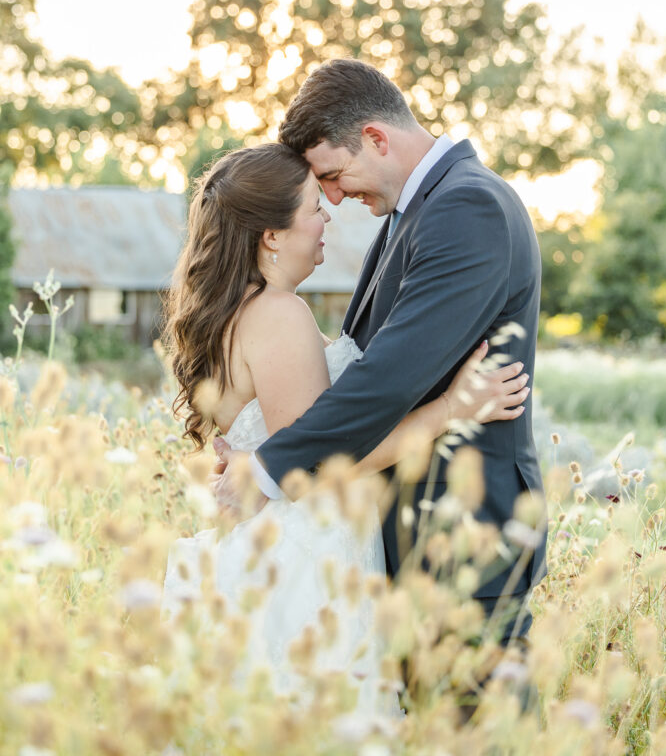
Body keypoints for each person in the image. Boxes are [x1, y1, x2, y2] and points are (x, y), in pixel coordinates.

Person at [162, 142, 528, 709]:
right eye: (312, 205)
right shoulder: (278, 315)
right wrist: (451, 408)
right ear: (272, 236)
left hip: (291, 547)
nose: (327, 213)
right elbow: (329, 462)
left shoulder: (241, 311)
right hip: (307, 563)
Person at [215, 58, 547, 648]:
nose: (335, 198)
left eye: (335, 175)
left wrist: (266, 467)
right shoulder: (415, 213)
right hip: (406, 541)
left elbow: (388, 378)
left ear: (375, 138)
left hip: (463, 541)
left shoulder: (465, 208)